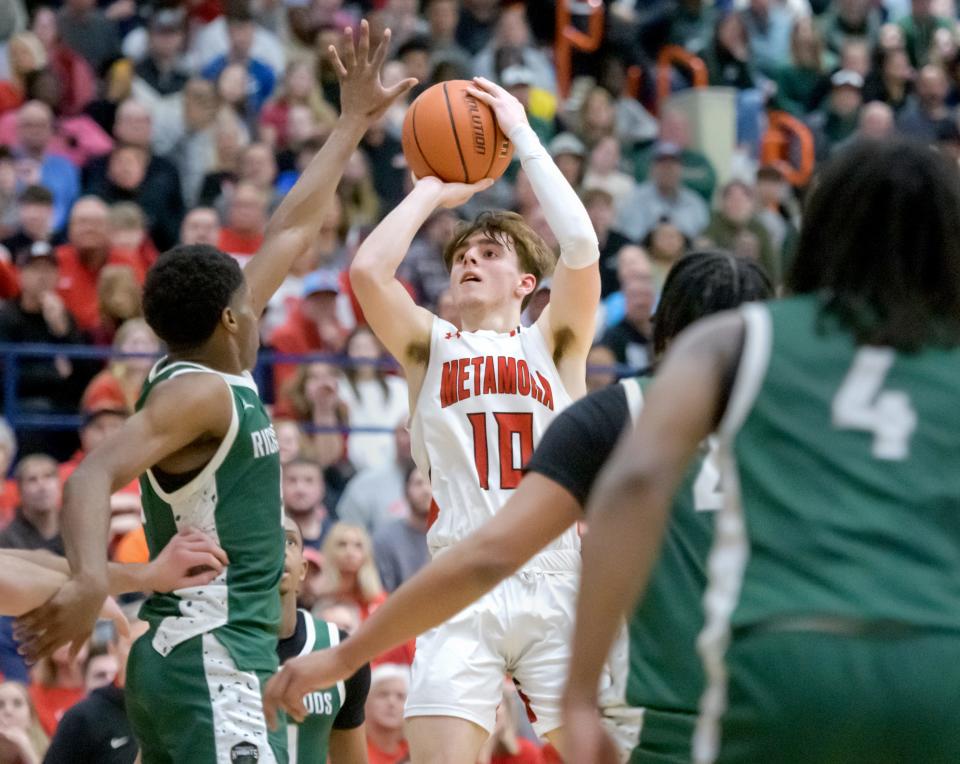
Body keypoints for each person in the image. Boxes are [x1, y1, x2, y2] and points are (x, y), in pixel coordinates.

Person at [14, 21, 414, 764]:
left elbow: (292, 232)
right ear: (233, 318)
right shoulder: (197, 395)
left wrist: (352, 122)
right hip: (210, 653)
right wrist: (89, 581)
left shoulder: (211, 359)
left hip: (203, 653)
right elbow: (95, 473)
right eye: (250, 301)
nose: (261, 301)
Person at [262, 250, 770, 762]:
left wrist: (347, 656)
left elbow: (491, 556)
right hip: (790, 688)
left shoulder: (619, 413)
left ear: (664, 328)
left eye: (489, 254)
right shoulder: (818, 425)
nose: (472, 263)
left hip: (667, 698)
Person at [564, 138, 960, 764]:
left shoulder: (743, 339)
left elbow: (635, 482)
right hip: (941, 660)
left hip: (789, 655)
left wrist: (580, 694)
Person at [268, 72, 602, 761]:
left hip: (557, 576)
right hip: (461, 581)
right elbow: (367, 273)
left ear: (526, 283)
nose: (470, 263)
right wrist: (432, 189)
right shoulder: (430, 345)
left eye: (489, 255)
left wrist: (522, 135)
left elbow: (581, 249)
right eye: (461, 258)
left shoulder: (554, 342)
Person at [277, 515, 370, 763]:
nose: (278, 548)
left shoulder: (338, 649)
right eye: (267, 538)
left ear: (303, 570)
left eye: (289, 541)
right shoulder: (206, 647)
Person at [372, 465, 431, 592]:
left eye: (431, 483)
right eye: (419, 483)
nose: (426, 490)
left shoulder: (452, 537)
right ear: (405, 491)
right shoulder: (385, 539)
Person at [363, 664, 410, 764]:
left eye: (400, 697)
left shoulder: (417, 753)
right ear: (366, 702)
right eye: (383, 694)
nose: (391, 702)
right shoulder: (350, 749)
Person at [0, 680, 47, 764]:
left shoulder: (48, 751)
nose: (8, 711)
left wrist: (25, 747)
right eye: (0, 705)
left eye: (17, 703)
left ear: (31, 718)